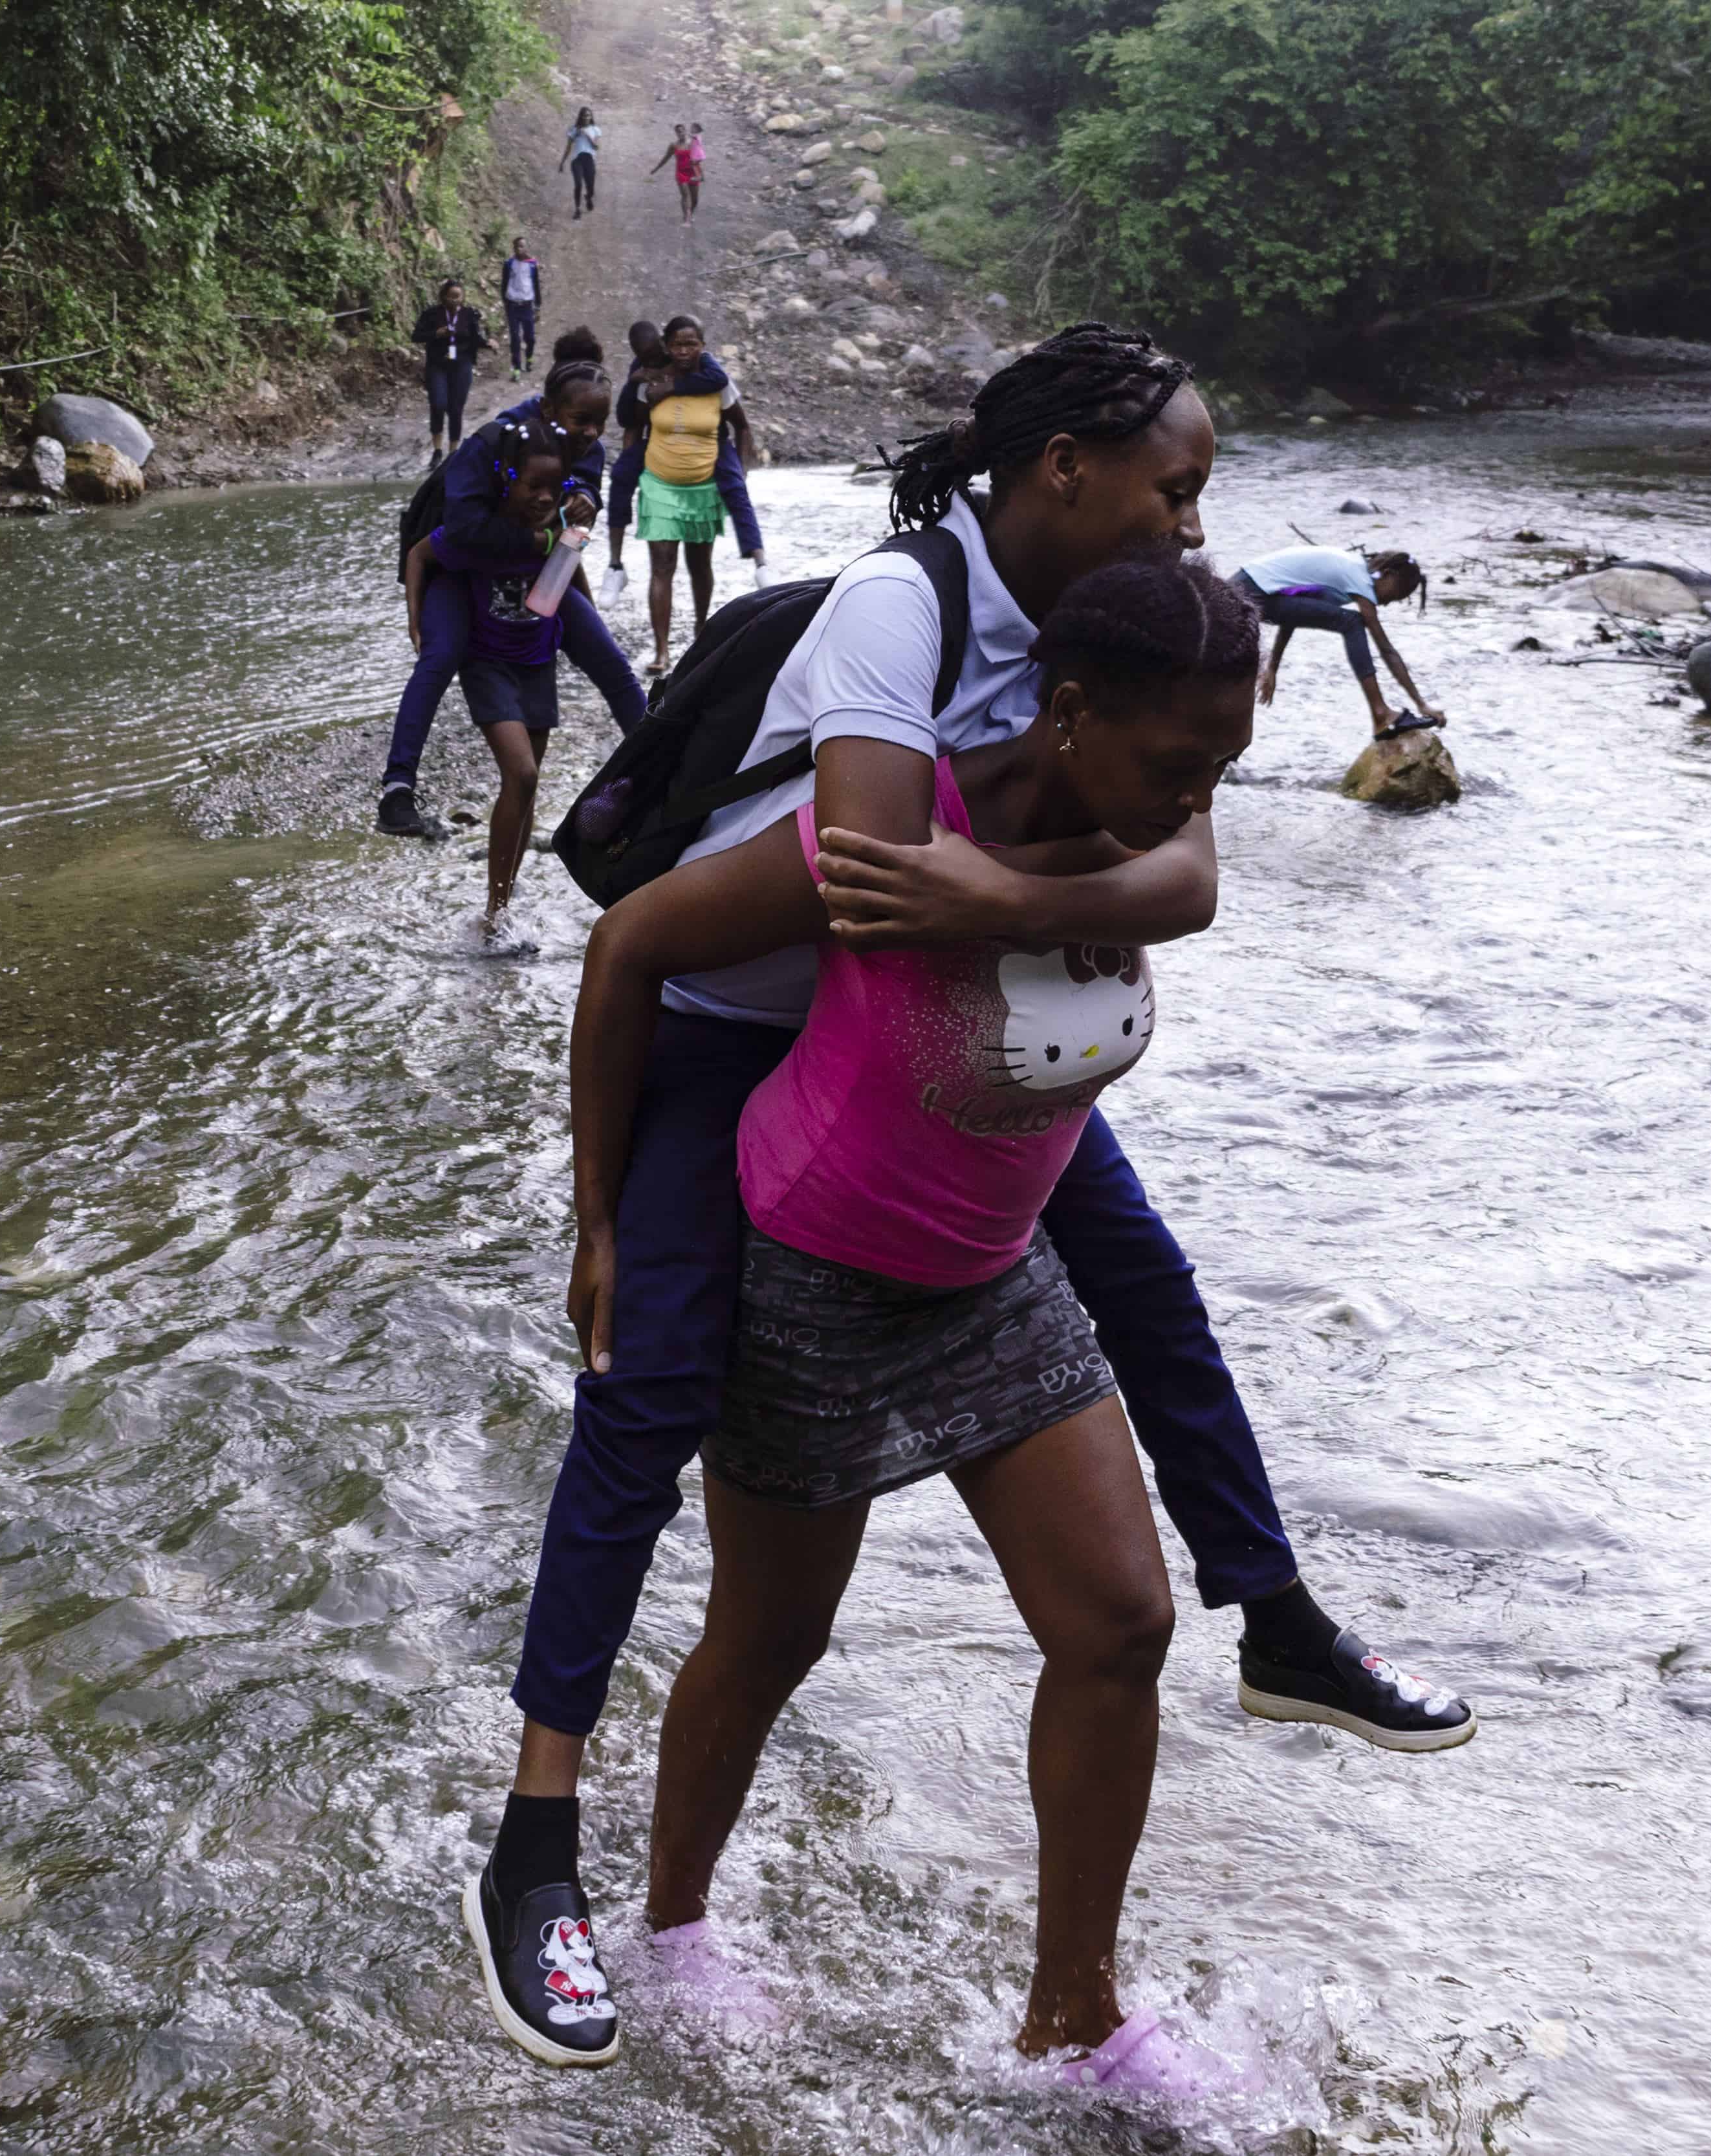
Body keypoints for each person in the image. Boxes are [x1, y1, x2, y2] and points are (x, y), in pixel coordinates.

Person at [461, 325, 1474, 2070]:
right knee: (648, 1384)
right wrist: (599, 1208)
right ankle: (537, 1841)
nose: (1189, 526)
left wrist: (1078, 863)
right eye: (1174, 488)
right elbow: (874, 890)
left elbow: (1177, 863)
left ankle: (1274, 1620)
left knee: (1145, 1284)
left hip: (950, 1064)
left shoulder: (1123, 636)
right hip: (735, 1040)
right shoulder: (900, 614)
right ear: (1064, 465)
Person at [549, 559, 1258, 2085]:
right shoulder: (885, 833)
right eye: (1177, 764)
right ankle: (673, 1931)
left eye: (1226, 766)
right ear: (1068, 710)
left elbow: (1182, 875)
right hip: (806, 1280)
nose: (1202, 799)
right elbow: (632, 950)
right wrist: (599, 1223)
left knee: (1120, 1625)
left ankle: (1075, 2010)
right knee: (771, 1634)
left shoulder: (1148, 831)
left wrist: (1027, 889)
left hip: (995, 1280)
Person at [378, 351, 647, 842]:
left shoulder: (582, 442)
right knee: (439, 656)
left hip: (534, 572)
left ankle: (659, 759)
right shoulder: (492, 444)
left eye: (599, 423)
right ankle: (398, 788)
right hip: (462, 570)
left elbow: (582, 491)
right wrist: (541, 541)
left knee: (610, 659)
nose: (591, 432)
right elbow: (457, 533)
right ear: (548, 410)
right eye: (580, 420)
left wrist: (584, 497)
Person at [402, 421, 596, 936]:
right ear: (506, 481)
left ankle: (504, 904)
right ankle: (494, 909)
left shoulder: (557, 530)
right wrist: (415, 620)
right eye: (532, 487)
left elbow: (572, 573)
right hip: (488, 665)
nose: (542, 498)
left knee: (525, 789)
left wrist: (590, 629)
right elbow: (420, 555)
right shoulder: (481, 534)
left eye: (552, 490)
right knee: (524, 774)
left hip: (537, 663)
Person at [1230, 544, 1443, 742]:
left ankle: (1381, 714)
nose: (1387, 604)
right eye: (1396, 595)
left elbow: (1295, 612)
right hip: (1247, 593)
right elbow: (1386, 649)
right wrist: (1421, 704)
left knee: (1350, 621)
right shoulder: (1359, 579)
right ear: (1387, 575)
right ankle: (1381, 714)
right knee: (1352, 622)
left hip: (1242, 591)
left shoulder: (1350, 570)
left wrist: (1272, 668)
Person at [626, 314, 742, 674]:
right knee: (662, 566)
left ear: (703, 347)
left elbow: (742, 424)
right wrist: (628, 473)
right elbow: (630, 424)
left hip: (704, 485)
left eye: (691, 344)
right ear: (666, 346)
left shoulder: (717, 383)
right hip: (658, 482)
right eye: (677, 344)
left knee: (699, 566)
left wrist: (741, 470)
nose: (684, 351)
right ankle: (661, 651)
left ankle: (700, 634)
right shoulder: (652, 380)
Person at [413, 279, 491, 461]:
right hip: (438, 364)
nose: (455, 300)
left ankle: (453, 453)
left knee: (456, 409)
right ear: (443, 297)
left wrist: (487, 343)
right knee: (438, 404)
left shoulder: (469, 314)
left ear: (463, 298)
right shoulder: (431, 314)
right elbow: (416, 336)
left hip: (461, 365)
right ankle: (437, 450)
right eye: (451, 297)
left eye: (459, 297)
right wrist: (436, 334)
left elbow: (476, 337)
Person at [499, 240, 546, 376]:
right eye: (516, 246)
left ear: (526, 248)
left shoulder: (532, 265)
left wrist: (538, 307)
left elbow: (536, 285)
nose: (519, 249)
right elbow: (504, 284)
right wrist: (505, 301)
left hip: (527, 305)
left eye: (522, 246)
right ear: (513, 248)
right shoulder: (508, 264)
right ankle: (517, 367)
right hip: (512, 305)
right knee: (515, 337)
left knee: (530, 337)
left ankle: (529, 358)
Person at [646, 124, 705, 224]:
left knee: (695, 199)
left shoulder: (693, 143)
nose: (681, 133)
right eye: (678, 132)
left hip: (693, 172)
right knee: (685, 195)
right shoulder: (674, 146)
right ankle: (686, 219)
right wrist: (656, 169)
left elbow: (698, 159)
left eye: (682, 131)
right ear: (676, 134)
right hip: (681, 173)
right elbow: (666, 158)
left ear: (686, 131)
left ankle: (691, 214)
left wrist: (701, 174)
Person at [562, 107, 603, 217]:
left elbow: (596, 147)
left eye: (589, 115)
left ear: (591, 117)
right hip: (577, 160)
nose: (586, 118)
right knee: (578, 184)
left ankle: (588, 197)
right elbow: (568, 147)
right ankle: (577, 209)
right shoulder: (574, 129)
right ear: (581, 116)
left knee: (591, 188)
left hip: (589, 160)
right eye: (584, 115)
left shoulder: (595, 129)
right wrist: (562, 162)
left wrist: (587, 135)